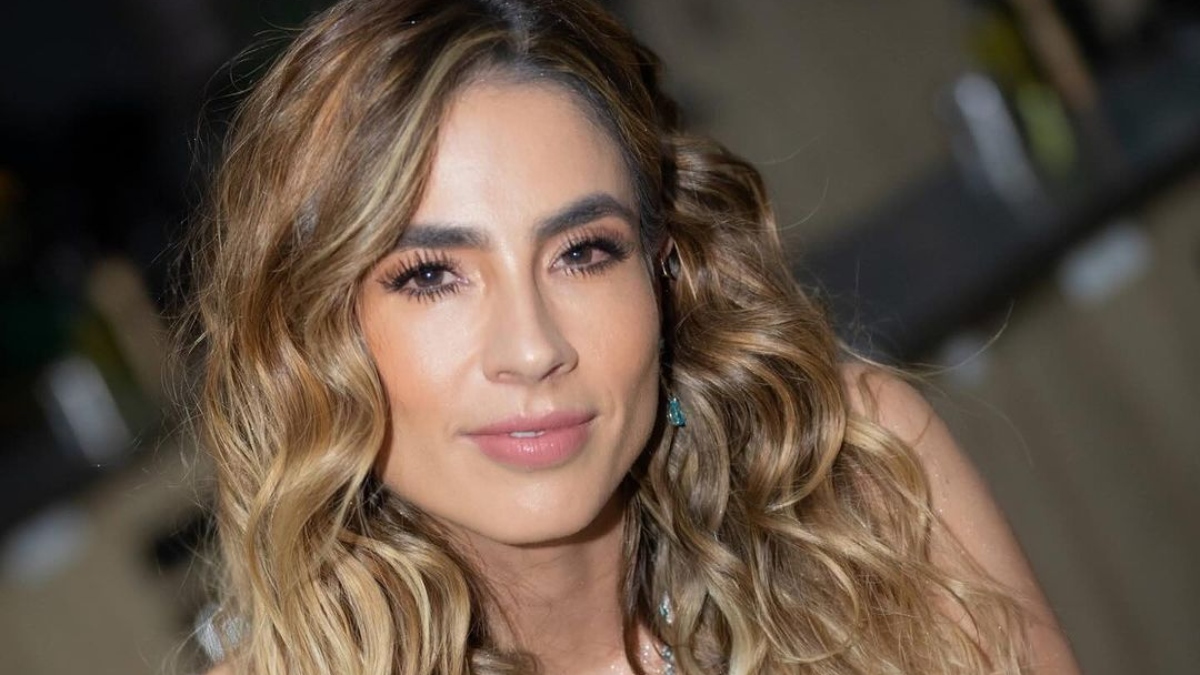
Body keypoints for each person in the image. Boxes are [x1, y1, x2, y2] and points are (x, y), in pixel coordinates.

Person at [185, 0, 1081, 673]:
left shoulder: (858, 478)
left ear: (661, 268)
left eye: (583, 253)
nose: (532, 348)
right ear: (311, 331)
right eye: (429, 275)